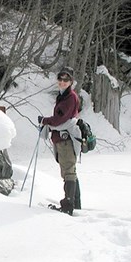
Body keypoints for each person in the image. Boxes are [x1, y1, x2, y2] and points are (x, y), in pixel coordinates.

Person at [37, 66, 82, 215]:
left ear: (71, 81)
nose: (62, 82)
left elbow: (59, 119)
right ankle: (74, 203)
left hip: (66, 139)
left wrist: (45, 120)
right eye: (60, 79)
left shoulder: (70, 97)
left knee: (68, 171)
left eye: (66, 79)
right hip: (61, 138)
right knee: (69, 170)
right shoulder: (63, 95)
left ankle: (68, 205)